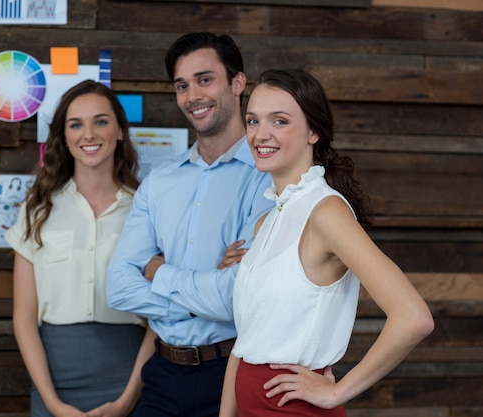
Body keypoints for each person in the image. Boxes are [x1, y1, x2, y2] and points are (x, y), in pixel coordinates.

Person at [218, 68, 435, 417]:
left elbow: (414, 318)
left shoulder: (326, 212)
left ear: (313, 132)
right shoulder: (267, 220)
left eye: (280, 121)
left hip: (294, 411)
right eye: (253, 121)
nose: (261, 134)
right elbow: (246, 343)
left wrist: (336, 393)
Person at [106, 32, 275, 417]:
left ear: (237, 82)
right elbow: (117, 286)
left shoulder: (266, 179)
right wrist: (205, 292)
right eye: (182, 85)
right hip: (162, 374)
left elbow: (233, 299)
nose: (192, 95)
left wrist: (157, 270)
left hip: (231, 373)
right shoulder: (159, 182)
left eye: (204, 79)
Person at [5, 79, 155, 417]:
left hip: (130, 379)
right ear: (64, 137)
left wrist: (127, 401)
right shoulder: (37, 208)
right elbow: (24, 318)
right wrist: (53, 404)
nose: (89, 134)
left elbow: (161, 318)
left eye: (100, 121)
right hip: (54, 382)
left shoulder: (146, 210)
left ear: (119, 131)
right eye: (76, 124)